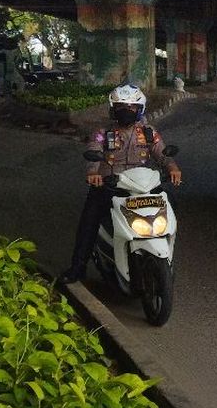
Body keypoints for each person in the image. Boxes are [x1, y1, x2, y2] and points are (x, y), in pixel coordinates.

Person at [59, 84, 183, 284]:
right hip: (110, 185)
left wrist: (173, 168)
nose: (126, 110)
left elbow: (162, 153)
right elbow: (93, 152)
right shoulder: (103, 133)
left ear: (140, 109)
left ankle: (165, 253)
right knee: (89, 221)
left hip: (142, 185)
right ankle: (78, 268)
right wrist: (93, 173)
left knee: (171, 202)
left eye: (132, 107)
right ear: (113, 108)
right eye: (121, 106)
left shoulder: (149, 132)